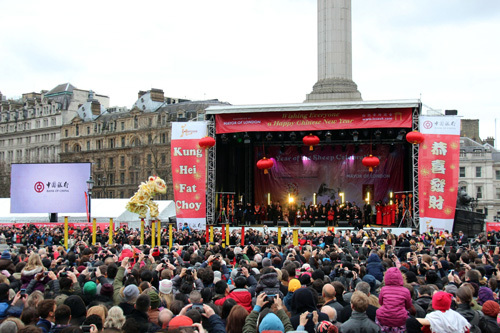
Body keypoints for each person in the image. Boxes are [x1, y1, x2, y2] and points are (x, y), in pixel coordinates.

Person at [375, 267, 412, 332]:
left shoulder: (383, 289)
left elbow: (380, 302)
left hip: (384, 318)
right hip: (400, 319)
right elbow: (408, 306)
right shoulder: (406, 291)